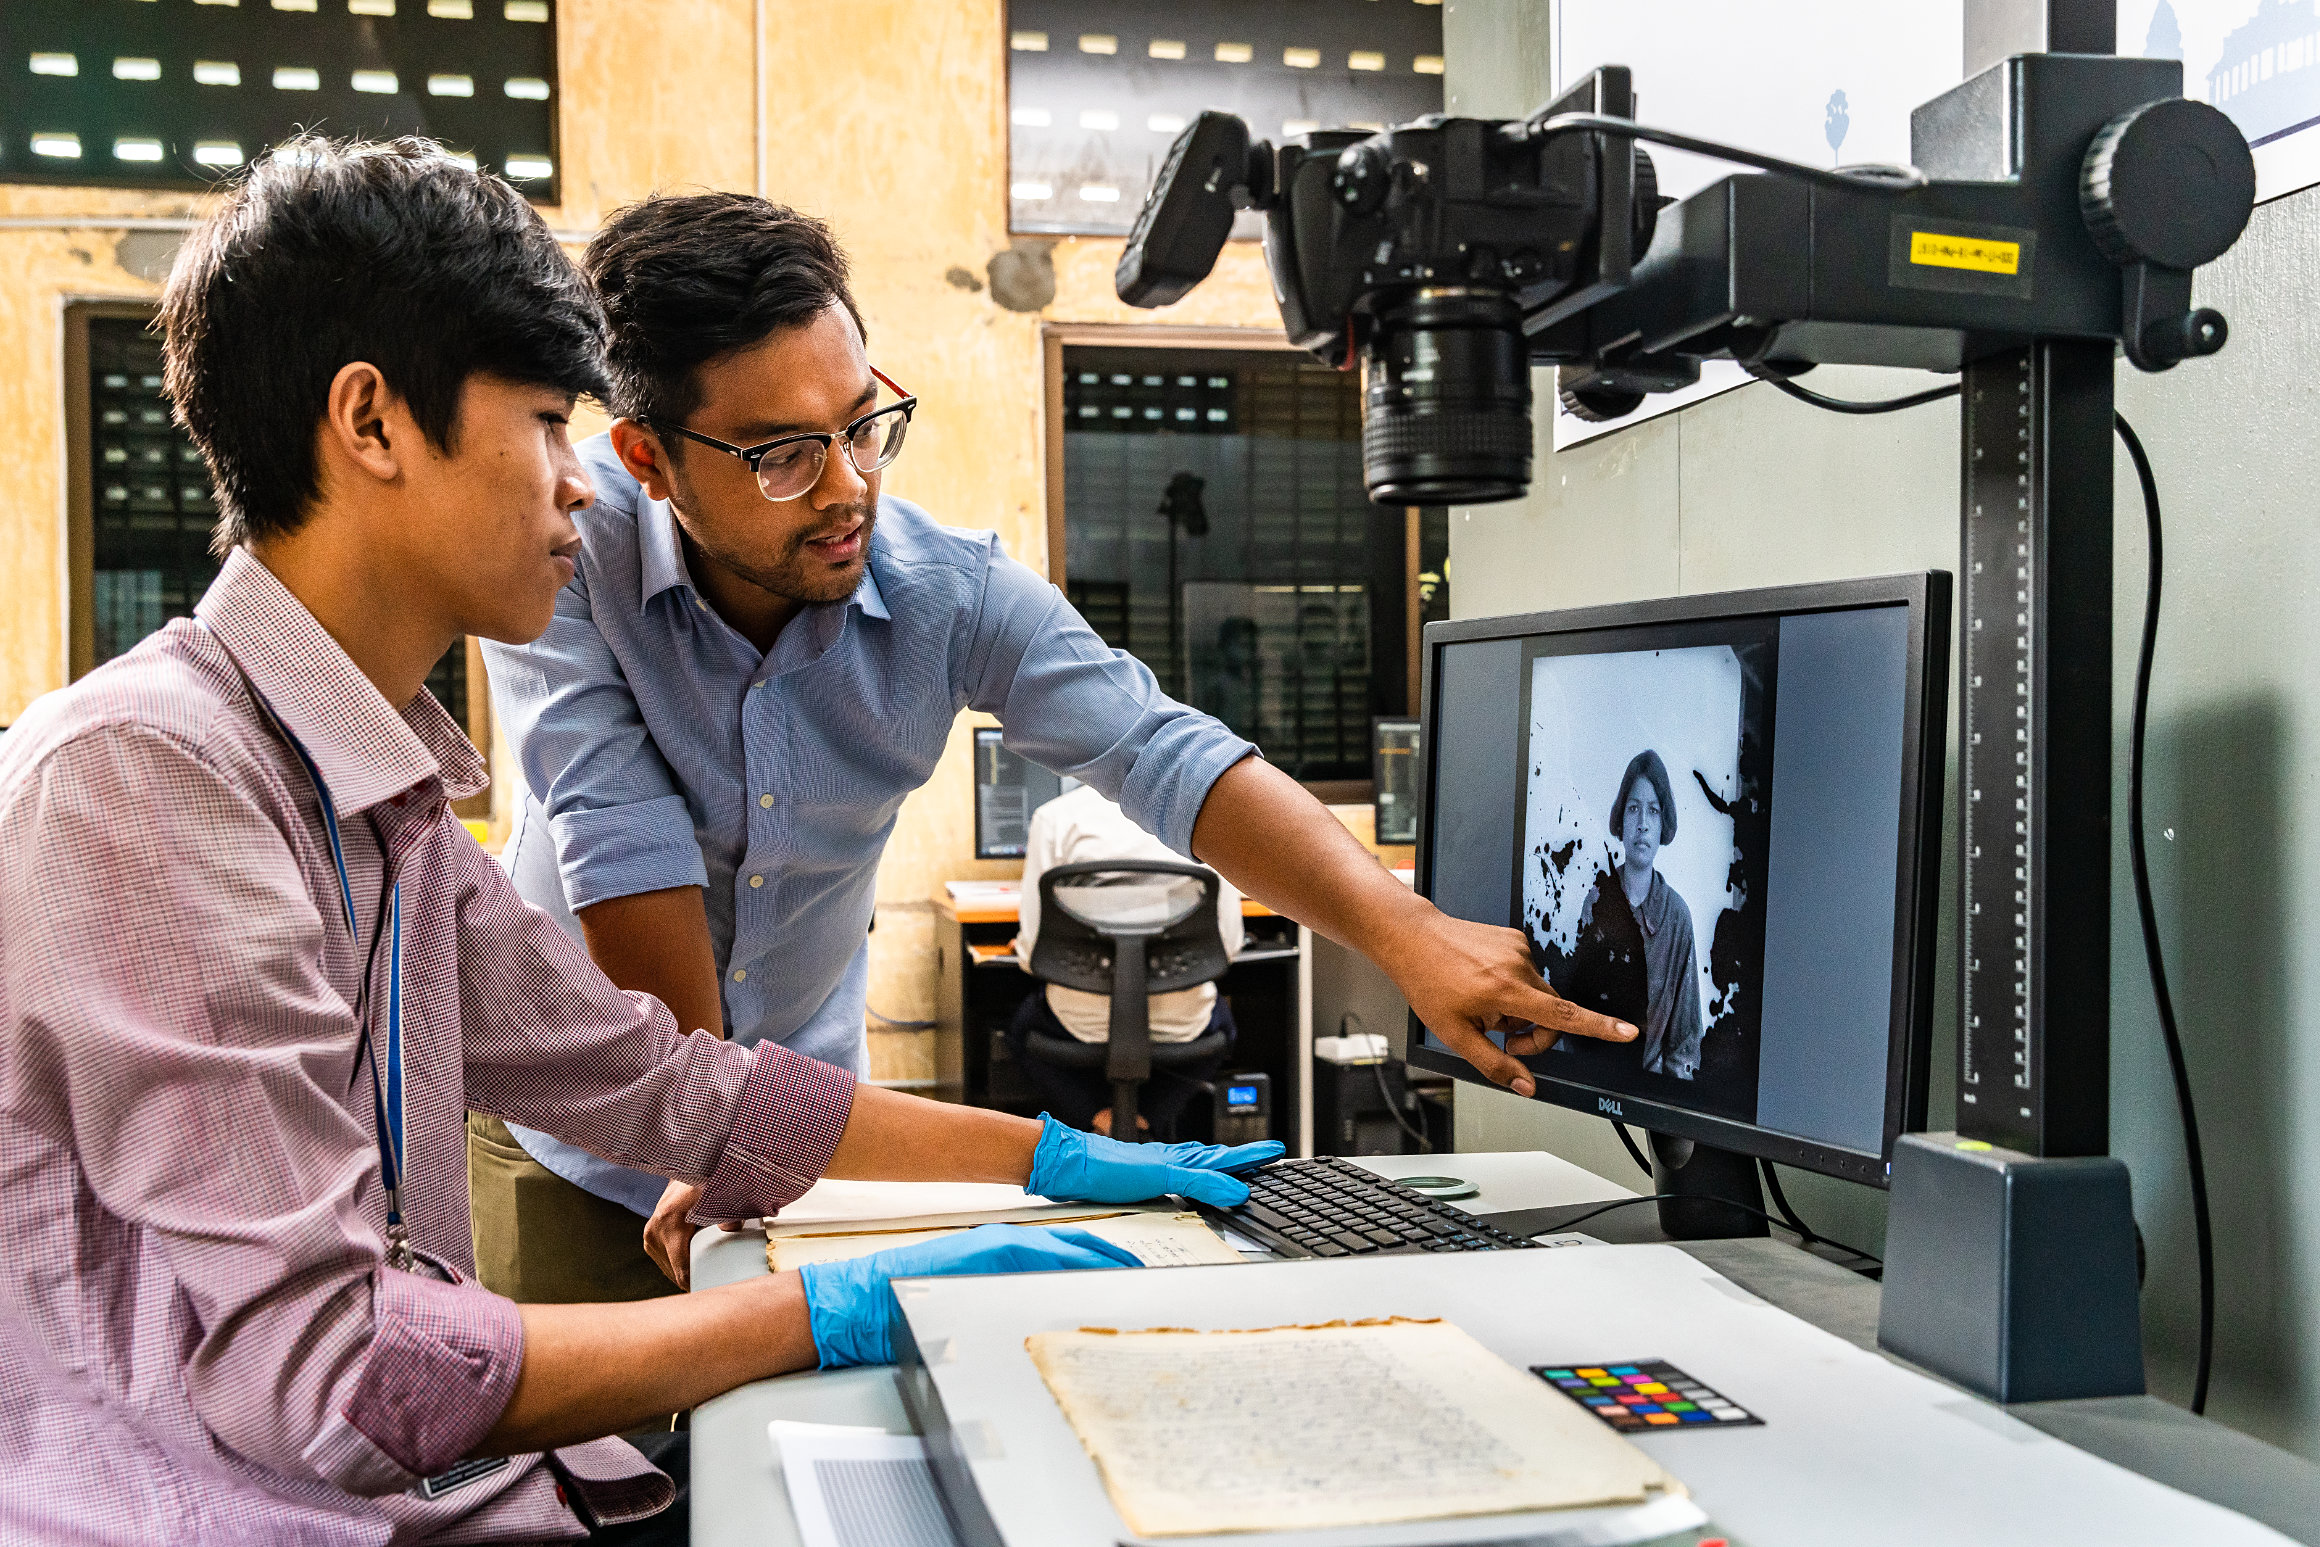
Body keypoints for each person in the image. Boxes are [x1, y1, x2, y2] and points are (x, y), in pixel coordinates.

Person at [0, 139, 1275, 1547]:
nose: (580, 487)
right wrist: (819, 1310)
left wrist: (1041, 1153)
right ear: (370, 421)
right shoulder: (148, 779)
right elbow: (337, 1371)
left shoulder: (382, 806)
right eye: (548, 421)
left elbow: (663, 1078)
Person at [476, 192, 1638, 1301]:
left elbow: (1161, 750)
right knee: (588, 1486)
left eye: (862, 427)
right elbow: (619, 837)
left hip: (804, 1133)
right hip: (575, 1138)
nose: (847, 490)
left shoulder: (949, 592)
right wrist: (707, 1122)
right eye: (782, 454)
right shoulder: (568, 559)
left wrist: (1408, 935)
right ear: (646, 457)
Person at [1008, 783, 1245, 1136]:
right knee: (1223, 1025)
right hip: (1183, 1024)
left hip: (1080, 1024)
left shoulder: (1056, 817)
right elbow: (1227, 946)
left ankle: (1100, 1121)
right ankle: (1145, 1123)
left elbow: (1032, 956)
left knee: (1020, 1030)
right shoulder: (1200, 815)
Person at [1555, 751, 1705, 1080]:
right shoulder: (1596, 900)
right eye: (1634, 808)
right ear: (1621, 820)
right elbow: (1575, 1011)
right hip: (1596, 1082)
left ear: (1663, 822)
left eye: (1653, 811)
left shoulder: (1677, 917)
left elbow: (1685, 1042)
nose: (1642, 824)